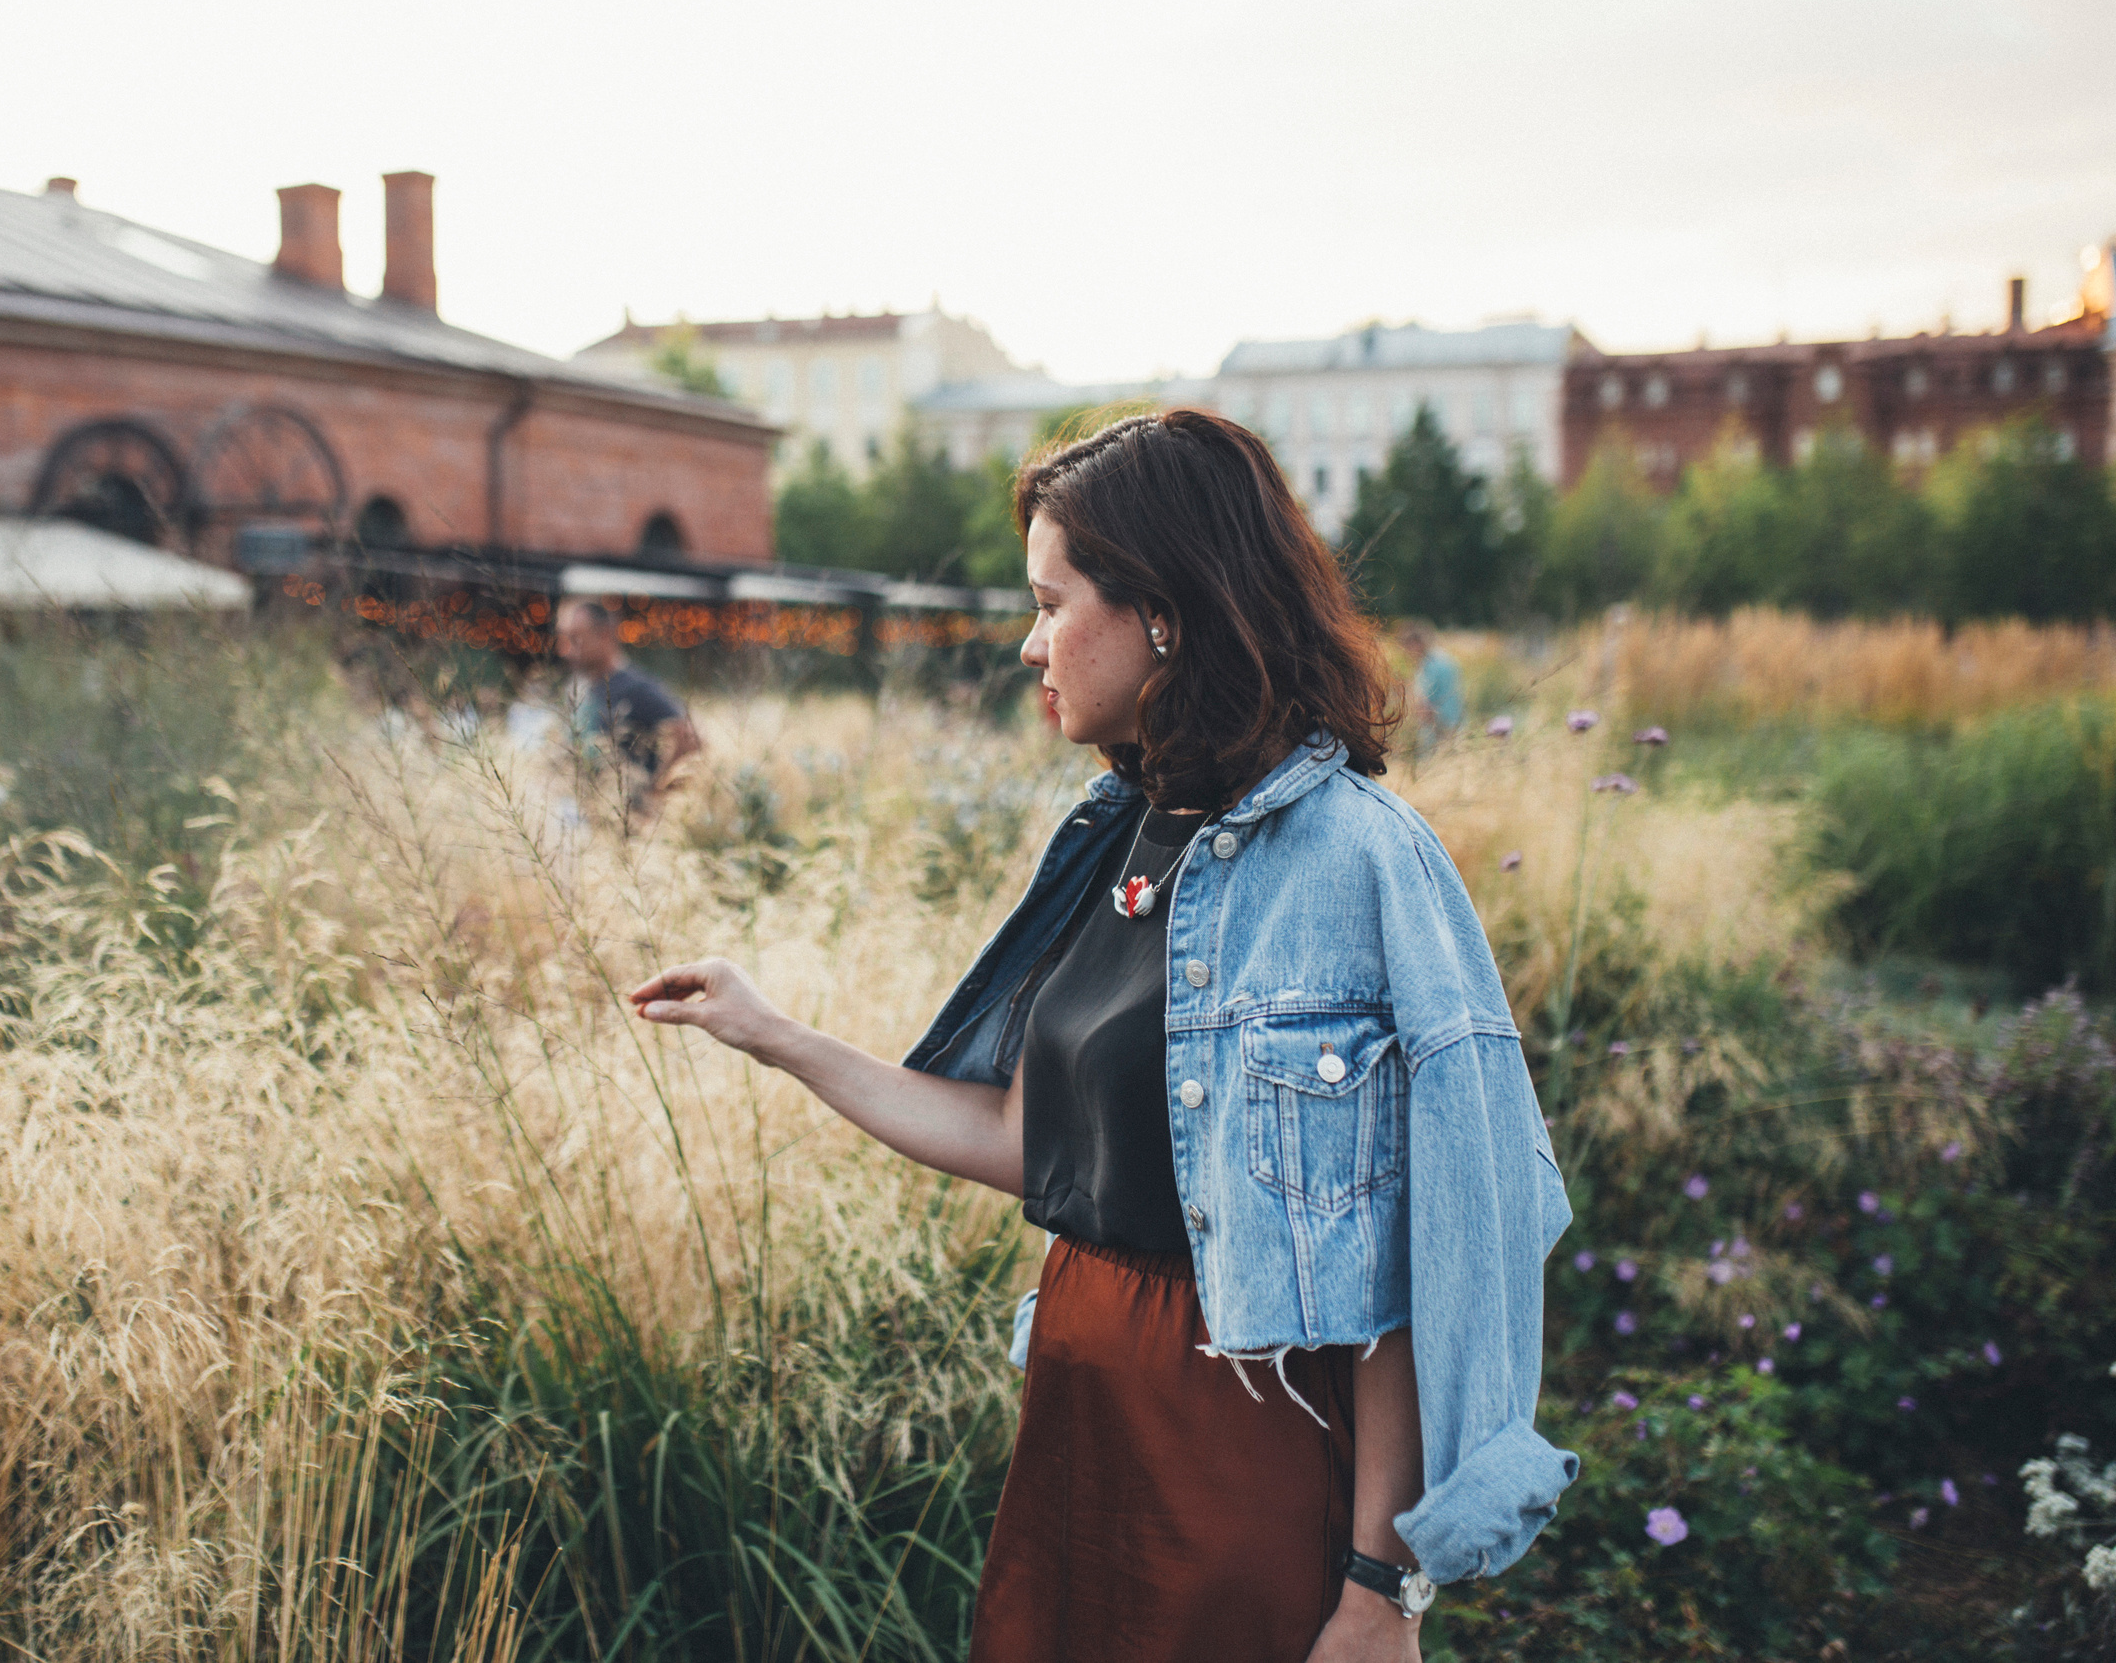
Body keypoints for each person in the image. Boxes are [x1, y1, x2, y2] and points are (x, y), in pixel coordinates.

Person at [630, 409, 1574, 1663]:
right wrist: (773, 1034)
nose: (1030, 644)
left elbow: (1423, 1248)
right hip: (1080, 1407)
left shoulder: (1361, 860)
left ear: (1162, 614)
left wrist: (1378, 1591)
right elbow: (1024, 1136)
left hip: (1240, 1434)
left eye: (1050, 602)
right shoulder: (1113, 837)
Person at [552, 597, 701, 810]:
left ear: (604, 635)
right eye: (563, 638)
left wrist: (653, 795)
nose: (564, 649)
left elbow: (691, 738)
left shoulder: (635, 687)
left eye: (575, 639)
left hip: (620, 817)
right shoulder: (575, 688)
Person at [1398, 623, 1464, 745]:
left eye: (1408, 647)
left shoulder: (1433, 664)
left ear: (1417, 643)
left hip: (1441, 723)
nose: (1406, 652)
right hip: (1450, 721)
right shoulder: (1438, 658)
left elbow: (1426, 703)